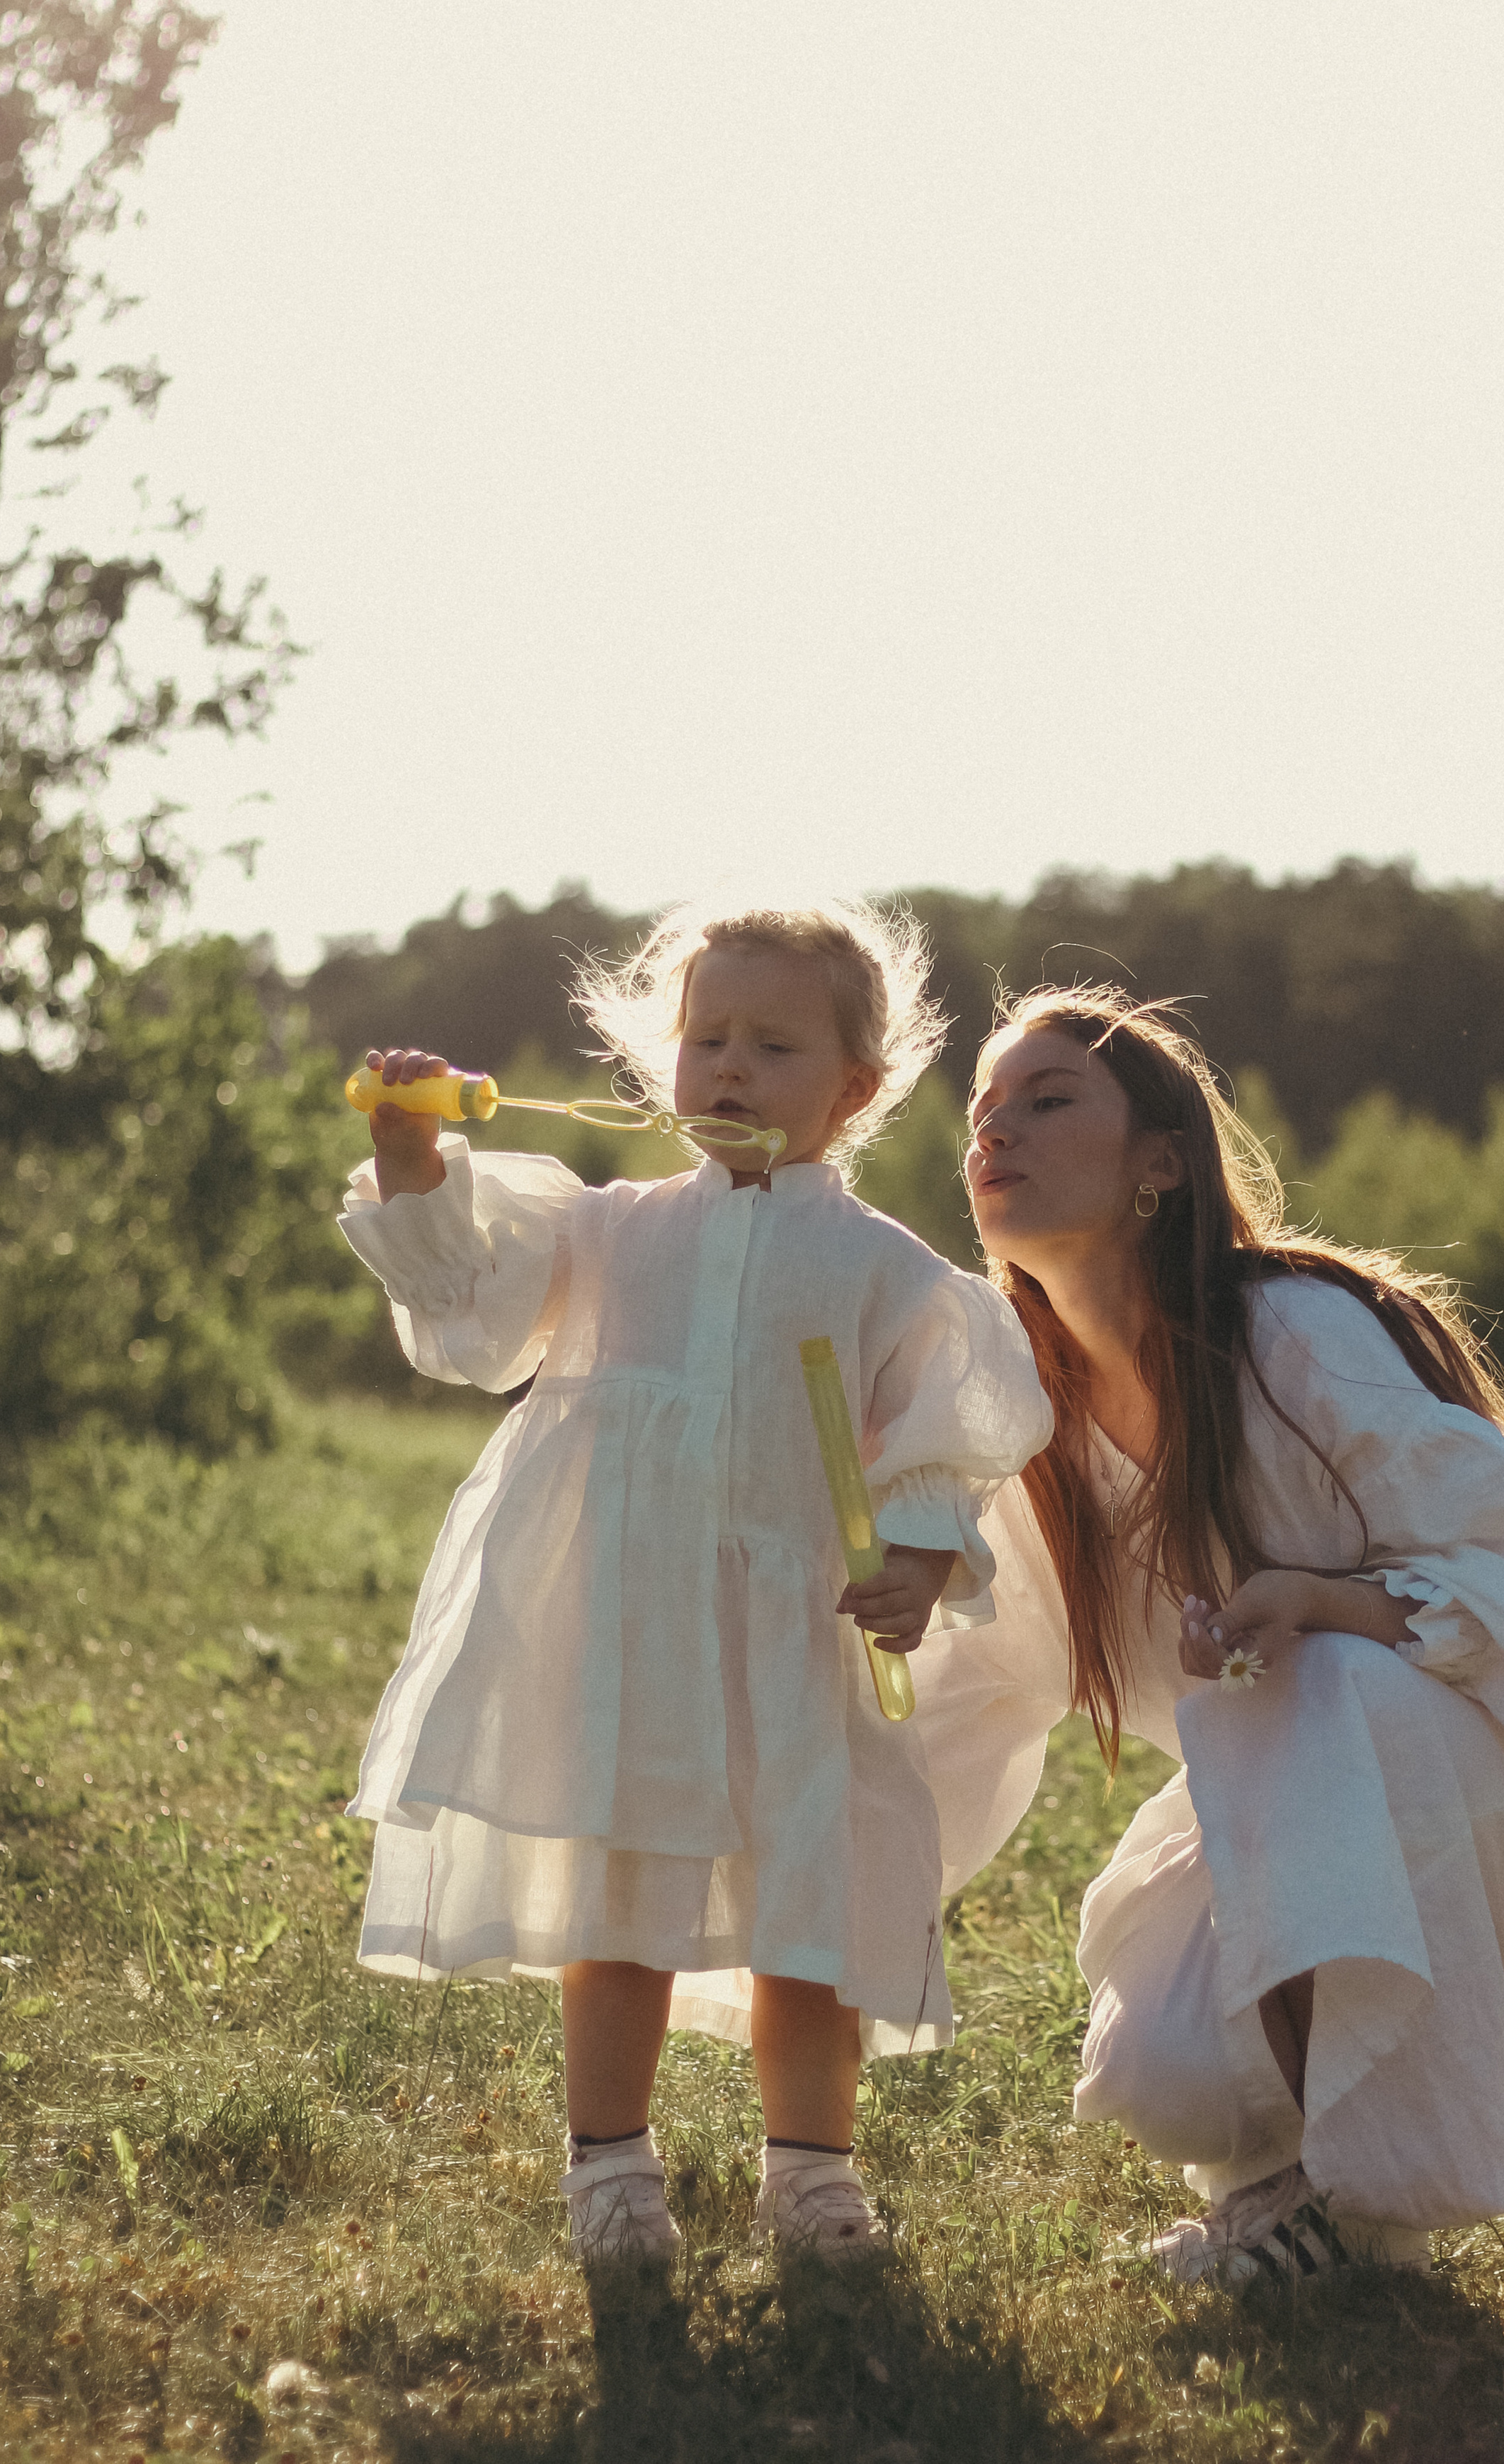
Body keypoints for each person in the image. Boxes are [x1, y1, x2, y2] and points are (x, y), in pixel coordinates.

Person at [336, 902, 1051, 2263]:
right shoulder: (608, 1232)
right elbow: (472, 1308)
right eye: (706, 1037)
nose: (728, 1067)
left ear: (856, 1088)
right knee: (621, 1908)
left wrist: (912, 1556)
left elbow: (954, 1428)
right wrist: (415, 1161)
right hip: (630, 1626)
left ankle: (814, 2171)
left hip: (793, 1638)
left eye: (773, 1046)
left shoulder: (881, 1267)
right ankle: (609, 2164)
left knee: (811, 1904)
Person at [914, 986, 1504, 2281]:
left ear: (1160, 1163)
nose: (995, 1132)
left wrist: (1331, 1603)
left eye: (1046, 1100)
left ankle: (1364, 2214)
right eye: (980, 1112)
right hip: (1300, 1834)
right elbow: (961, 1693)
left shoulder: (1293, 1336)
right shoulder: (1034, 1435)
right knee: (1163, 2071)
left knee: (1328, 1684)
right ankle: (1279, 2192)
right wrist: (795, 1840)